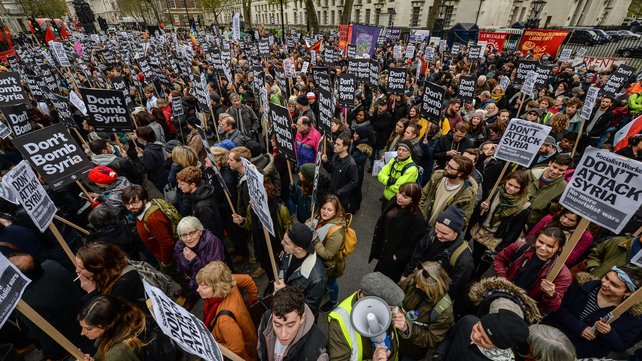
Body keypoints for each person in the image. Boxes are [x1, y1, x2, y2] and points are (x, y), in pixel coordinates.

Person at [544, 266, 642, 358]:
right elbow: (558, 307)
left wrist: (608, 333)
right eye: (606, 278)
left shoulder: (632, 316)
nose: (605, 284)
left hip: (575, 355)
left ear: (628, 293)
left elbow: (620, 346)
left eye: (614, 285)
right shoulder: (582, 286)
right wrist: (579, 327)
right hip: (548, 337)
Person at [9, 253, 93, 360]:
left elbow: (48, 337)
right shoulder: (52, 265)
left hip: (79, 340)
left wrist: (50, 357)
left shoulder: (28, 305)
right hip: (88, 312)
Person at [403, 205, 474, 305]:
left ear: (456, 233)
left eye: (444, 233)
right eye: (437, 230)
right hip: (416, 281)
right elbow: (416, 255)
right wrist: (406, 274)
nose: (438, 235)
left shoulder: (464, 260)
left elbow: (454, 288)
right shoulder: (432, 234)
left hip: (431, 297)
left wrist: (436, 304)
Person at [493, 227, 572, 314]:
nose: (542, 248)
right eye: (540, 242)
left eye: (549, 246)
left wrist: (551, 295)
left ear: (559, 248)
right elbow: (500, 259)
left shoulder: (563, 274)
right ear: (536, 239)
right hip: (500, 294)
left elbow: (553, 306)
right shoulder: (520, 248)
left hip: (524, 310)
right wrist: (502, 277)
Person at [328, 272, 405, 361]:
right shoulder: (339, 322)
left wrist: (405, 327)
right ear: (367, 303)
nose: (394, 311)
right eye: (389, 308)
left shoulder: (388, 302)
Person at [196, 261, 258, 361]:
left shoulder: (224, 320)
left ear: (217, 288)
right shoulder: (228, 282)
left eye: (204, 287)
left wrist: (215, 345)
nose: (198, 290)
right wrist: (252, 302)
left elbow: (236, 348)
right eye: (199, 285)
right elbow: (248, 280)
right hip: (250, 336)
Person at [395, 261, 455, 360]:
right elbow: (397, 293)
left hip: (410, 351)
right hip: (393, 337)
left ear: (433, 287)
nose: (417, 286)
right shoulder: (414, 280)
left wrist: (407, 328)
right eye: (417, 281)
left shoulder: (444, 311)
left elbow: (432, 339)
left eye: (422, 285)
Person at [370, 183, 426, 282]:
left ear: (413, 199)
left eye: (404, 196)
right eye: (399, 193)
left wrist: (398, 255)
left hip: (394, 259)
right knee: (377, 276)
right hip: (385, 248)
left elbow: (413, 244)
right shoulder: (395, 201)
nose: (399, 197)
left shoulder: (417, 220)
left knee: (384, 282)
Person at [257, 286, 327, 361]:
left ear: (302, 318)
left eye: (290, 325)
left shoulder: (318, 354)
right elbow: (261, 348)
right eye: (277, 325)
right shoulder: (267, 318)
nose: (283, 335)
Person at [75, 242, 147, 313]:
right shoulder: (110, 274)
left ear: (98, 268)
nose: (77, 270)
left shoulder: (124, 282)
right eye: (77, 266)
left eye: (82, 268)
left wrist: (92, 292)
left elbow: (109, 315)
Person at [433, 309, 529, 361]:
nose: (475, 336)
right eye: (478, 328)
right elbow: (450, 338)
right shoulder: (468, 322)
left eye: (485, 340)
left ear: (497, 347)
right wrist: (438, 355)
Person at [306, 195, 349, 312]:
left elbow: (328, 254)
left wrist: (314, 239)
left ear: (336, 212)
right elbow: (312, 222)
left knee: (331, 284)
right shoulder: (319, 217)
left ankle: (333, 301)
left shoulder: (337, 232)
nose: (325, 212)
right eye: (323, 208)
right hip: (317, 261)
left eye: (329, 210)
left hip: (329, 266)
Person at [274, 223, 326, 316]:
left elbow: (309, 309)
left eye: (286, 242)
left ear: (298, 249)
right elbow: (284, 266)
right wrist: (281, 278)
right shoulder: (289, 251)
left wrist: (285, 293)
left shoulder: (317, 278)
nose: (282, 242)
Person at [122, 185, 177, 271]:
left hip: (173, 259)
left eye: (134, 203)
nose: (130, 207)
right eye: (127, 204)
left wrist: (166, 262)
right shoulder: (141, 211)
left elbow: (167, 243)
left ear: (144, 200)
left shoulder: (153, 219)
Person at [78, 295, 145, 361]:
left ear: (106, 325)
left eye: (88, 329)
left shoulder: (117, 354)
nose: (82, 333)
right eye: (82, 327)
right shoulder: (116, 331)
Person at [419, 155, 477, 228]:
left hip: (438, 231)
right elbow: (423, 195)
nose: (446, 168)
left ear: (460, 173)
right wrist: (420, 214)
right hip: (422, 221)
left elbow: (464, 219)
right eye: (447, 164)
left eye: (451, 168)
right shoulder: (437, 177)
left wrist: (444, 230)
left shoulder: (467, 195)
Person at [527, 206, 593, 267]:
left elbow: (569, 260)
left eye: (571, 220)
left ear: (579, 223)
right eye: (564, 216)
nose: (565, 221)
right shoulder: (549, 219)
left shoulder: (585, 236)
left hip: (552, 264)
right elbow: (530, 236)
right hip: (532, 253)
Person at [174, 216, 224, 295]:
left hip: (216, 287)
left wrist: (194, 260)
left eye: (192, 233)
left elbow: (216, 272)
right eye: (184, 235)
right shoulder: (179, 246)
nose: (189, 238)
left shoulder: (212, 242)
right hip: (198, 288)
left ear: (200, 231)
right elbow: (180, 268)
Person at [176, 166, 223, 239]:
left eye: (182, 184)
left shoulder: (203, 206)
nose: (179, 186)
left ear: (192, 185)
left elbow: (209, 231)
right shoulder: (195, 194)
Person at [526, 154, 572, 226]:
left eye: (561, 170)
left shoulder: (564, 187)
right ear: (550, 163)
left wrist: (547, 205)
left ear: (566, 171)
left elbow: (558, 207)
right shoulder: (529, 173)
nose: (555, 171)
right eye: (554, 167)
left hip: (532, 222)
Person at [322, 135, 359, 212]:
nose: (334, 146)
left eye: (338, 144)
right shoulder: (336, 156)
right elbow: (331, 170)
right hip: (332, 192)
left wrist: (339, 192)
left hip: (341, 199)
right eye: (335, 143)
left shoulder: (351, 164)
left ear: (345, 147)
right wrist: (325, 162)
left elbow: (354, 182)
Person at [377, 141, 419, 206]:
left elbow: (399, 188)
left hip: (397, 201)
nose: (400, 152)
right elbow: (380, 174)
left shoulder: (412, 169)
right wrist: (389, 181)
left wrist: (387, 183)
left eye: (404, 150)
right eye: (399, 149)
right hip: (385, 196)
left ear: (410, 153)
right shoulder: (394, 160)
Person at [134, 125, 169, 193]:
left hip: (157, 176)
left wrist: (141, 157)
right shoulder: (157, 144)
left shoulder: (148, 150)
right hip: (164, 172)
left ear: (143, 138)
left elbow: (149, 166)